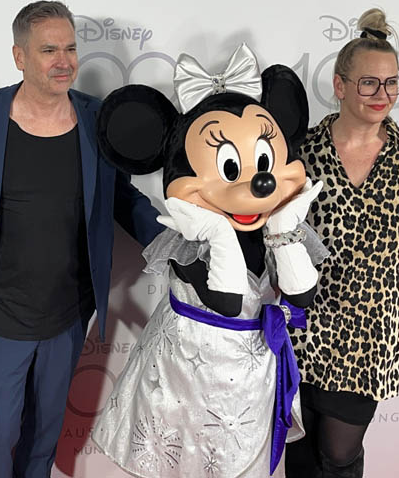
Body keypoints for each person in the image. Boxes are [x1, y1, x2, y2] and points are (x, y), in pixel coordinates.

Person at [0, 0, 163, 478]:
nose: (64, 61)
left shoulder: (99, 120)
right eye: (48, 50)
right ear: (19, 56)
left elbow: (122, 197)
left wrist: (173, 246)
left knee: (45, 433)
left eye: (71, 48)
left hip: (69, 310)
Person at [89, 45, 326, 477]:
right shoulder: (187, 239)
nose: (258, 183)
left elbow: (302, 293)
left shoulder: (276, 225)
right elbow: (228, 299)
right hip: (187, 380)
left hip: (251, 378)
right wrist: (218, 231)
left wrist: (284, 230)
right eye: (232, 168)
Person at [285, 8, 399, 478]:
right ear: (340, 85)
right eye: (369, 83)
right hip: (304, 326)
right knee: (299, 450)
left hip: (370, 335)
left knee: (338, 454)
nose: (383, 95)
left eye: (392, 82)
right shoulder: (304, 150)